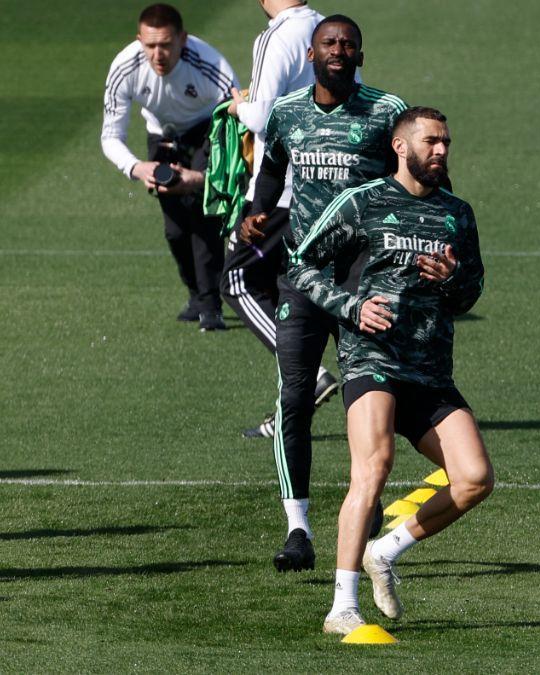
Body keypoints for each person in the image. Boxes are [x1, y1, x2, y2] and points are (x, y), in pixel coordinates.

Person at [287, 107, 491, 635]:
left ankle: (386, 550)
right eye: (432, 142)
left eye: (446, 142)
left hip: (430, 369)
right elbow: (301, 266)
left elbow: (470, 293)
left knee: (474, 479)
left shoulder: (457, 213)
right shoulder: (363, 201)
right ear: (401, 147)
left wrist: (451, 279)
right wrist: (352, 307)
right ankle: (342, 605)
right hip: (371, 359)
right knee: (373, 467)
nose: (442, 151)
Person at [244, 14, 406, 572]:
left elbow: (426, 185)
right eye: (328, 43)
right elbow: (271, 171)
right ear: (311, 55)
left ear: (361, 56)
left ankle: (367, 499)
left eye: (348, 44)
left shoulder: (387, 113)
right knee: (293, 397)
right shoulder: (287, 114)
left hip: (366, 278)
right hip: (303, 275)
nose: (338, 50)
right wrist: (255, 213)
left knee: (366, 399)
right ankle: (298, 528)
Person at [221, 0, 333, 439]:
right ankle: (295, 405)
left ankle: (313, 380)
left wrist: (236, 106)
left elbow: (262, 117)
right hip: (330, 188)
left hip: (281, 191)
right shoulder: (330, 27)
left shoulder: (276, 34)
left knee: (238, 281)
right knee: (304, 296)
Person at [101, 3, 238, 331]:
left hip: (209, 129)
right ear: (139, 40)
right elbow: (110, 136)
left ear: (183, 39)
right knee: (175, 228)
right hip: (161, 135)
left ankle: (211, 304)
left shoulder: (209, 65)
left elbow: (237, 118)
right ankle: (195, 295)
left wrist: (205, 176)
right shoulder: (125, 66)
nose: (158, 54)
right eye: (150, 45)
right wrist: (138, 168)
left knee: (204, 216)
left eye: (166, 44)